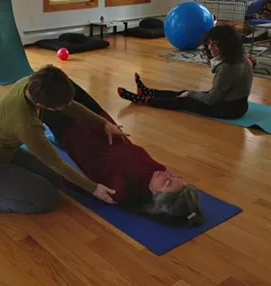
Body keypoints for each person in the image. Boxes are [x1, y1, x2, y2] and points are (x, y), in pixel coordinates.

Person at [0, 65, 129, 213]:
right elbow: (57, 163)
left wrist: (104, 124)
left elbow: (69, 106)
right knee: (46, 199)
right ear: (42, 106)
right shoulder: (26, 125)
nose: (65, 106)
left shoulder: (33, 84)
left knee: (54, 180)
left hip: (6, 154)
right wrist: (94, 188)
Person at [42, 81, 203, 227]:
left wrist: (59, 175)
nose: (168, 174)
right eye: (175, 177)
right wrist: (107, 124)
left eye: (168, 182)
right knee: (59, 80)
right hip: (101, 121)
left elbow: (84, 187)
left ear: (156, 198)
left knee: (42, 93)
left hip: (73, 130)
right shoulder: (157, 172)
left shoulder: (121, 192)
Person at [118, 25, 254, 120]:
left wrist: (191, 94)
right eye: (210, 43)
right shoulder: (240, 57)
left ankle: (143, 100)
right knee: (185, 93)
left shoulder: (228, 68)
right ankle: (148, 91)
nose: (210, 47)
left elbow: (211, 99)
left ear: (226, 45)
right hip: (236, 102)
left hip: (230, 109)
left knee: (184, 101)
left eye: (215, 44)